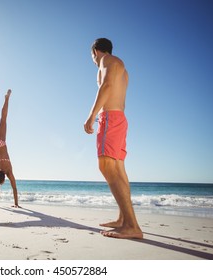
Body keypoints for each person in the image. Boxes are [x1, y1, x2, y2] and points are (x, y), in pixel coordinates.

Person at [84, 38, 143, 239]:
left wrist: (92, 116)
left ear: (96, 51)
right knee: (117, 168)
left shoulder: (107, 61)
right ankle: (124, 219)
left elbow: (107, 86)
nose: (92, 59)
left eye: (92, 55)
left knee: (106, 166)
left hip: (110, 118)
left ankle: (132, 226)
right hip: (119, 119)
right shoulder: (120, 65)